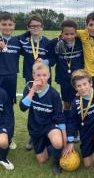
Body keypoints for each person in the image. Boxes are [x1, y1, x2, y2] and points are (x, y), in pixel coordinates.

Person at [19, 62, 67, 174]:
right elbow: (22, 108)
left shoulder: (54, 94)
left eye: (44, 75)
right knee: (42, 160)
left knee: (58, 142)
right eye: (38, 75)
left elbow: (59, 117)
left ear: (49, 76)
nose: (41, 78)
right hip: (35, 127)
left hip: (50, 126)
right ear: (33, 75)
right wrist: (32, 91)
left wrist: (64, 139)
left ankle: (56, 163)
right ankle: (48, 145)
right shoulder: (29, 87)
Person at [64, 69, 94, 178]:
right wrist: (70, 141)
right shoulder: (75, 103)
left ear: (91, 83)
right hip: (86, 132)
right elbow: (72, 123)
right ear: (75, 88)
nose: (83, 88)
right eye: (79, 86)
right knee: (88, 164)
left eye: (85, 84)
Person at [18, 14, 51, 150]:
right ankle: (33, 135)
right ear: (28, 28)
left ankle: (47, 133)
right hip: (30, 79)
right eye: (32, 26)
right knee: (32, 108)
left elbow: (53, 60)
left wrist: (44, 61)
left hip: (44, 80)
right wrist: (28, 32)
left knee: (45, 107)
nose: (35, 28)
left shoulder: (47, 42)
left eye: (38, 26)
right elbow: (15, 39)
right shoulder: (24, 40)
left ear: (42, 27)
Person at [49, 20, 84, 115]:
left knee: (80, 102)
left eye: (72, 34)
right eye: (66, 34)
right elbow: (51, 59)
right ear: (61, 33)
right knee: (67, 103)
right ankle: (67, 124)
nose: (69, 36)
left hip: (79, 79)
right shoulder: (55, 43)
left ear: (76, 33)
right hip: (64, 79)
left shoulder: (81, 42)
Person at [0, 12, 21, 150]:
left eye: (10, 24)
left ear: (14, 25)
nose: (7, 27)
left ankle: (10, 137)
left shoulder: (17, 42)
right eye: (4, 24)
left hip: (11, 80)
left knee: (9, 109)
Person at [0, 88, 15, 170]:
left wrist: (8, 132)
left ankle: (2, 158)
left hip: (1, 125)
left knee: (3, 142)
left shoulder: (2, 93)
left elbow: (8, 115)